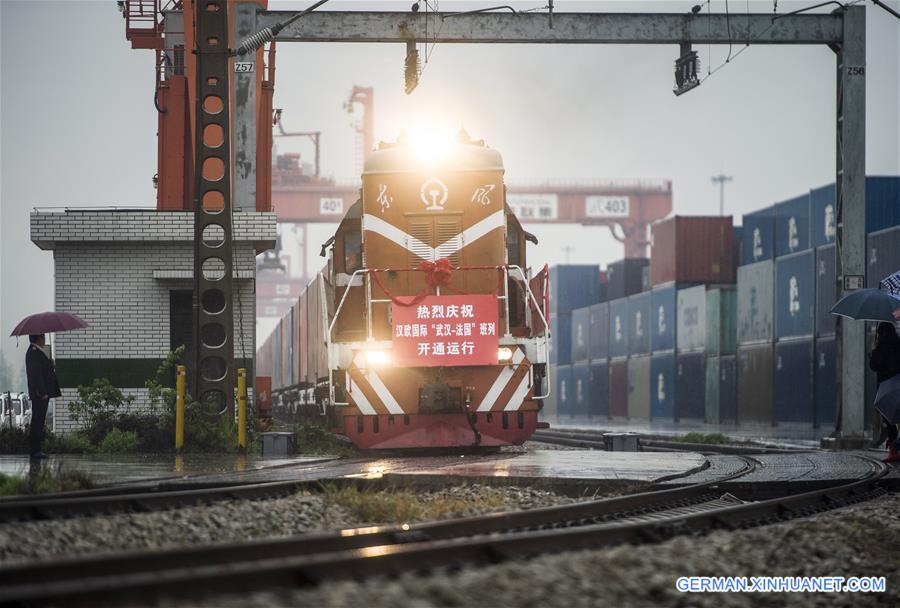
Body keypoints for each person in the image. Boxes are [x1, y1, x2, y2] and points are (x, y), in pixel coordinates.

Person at [25, 334, 61, 459]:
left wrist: (50, 364)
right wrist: (43, 392)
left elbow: (43, 370)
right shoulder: (33, 352)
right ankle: (35, 450)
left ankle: (37, 449)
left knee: (39, 421)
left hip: (41, 393)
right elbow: (36, 375)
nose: (44, 339)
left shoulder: (37, 352)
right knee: (37, 421)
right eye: (43, 336)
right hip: (40, 394)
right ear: (38, 338)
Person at [869, 322, 900, 462]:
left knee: (890, 420)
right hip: (898, 385)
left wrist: (873, 351)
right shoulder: (899, 344)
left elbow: (874, 366)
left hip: (886, 389)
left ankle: (894, 449)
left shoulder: (880, 348)